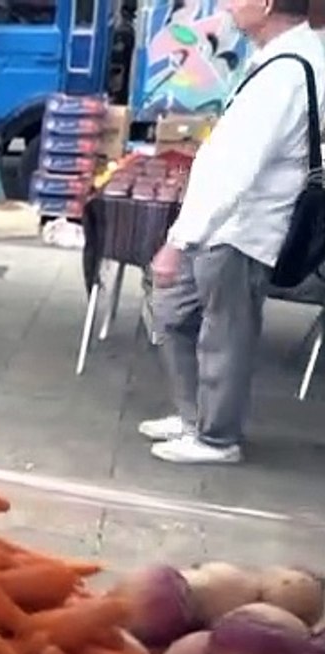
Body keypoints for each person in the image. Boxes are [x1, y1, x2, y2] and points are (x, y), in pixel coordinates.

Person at [145, 0, 325, 464]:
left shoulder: (286, 71)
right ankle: (194, 417)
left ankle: (217, 438)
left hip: (241, 228)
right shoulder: (282, 57)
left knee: (226, 334)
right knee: (169, 309)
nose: (226, 5)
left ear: (265, 5)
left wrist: (177, 241)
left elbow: (235, 169)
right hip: (222, 223)